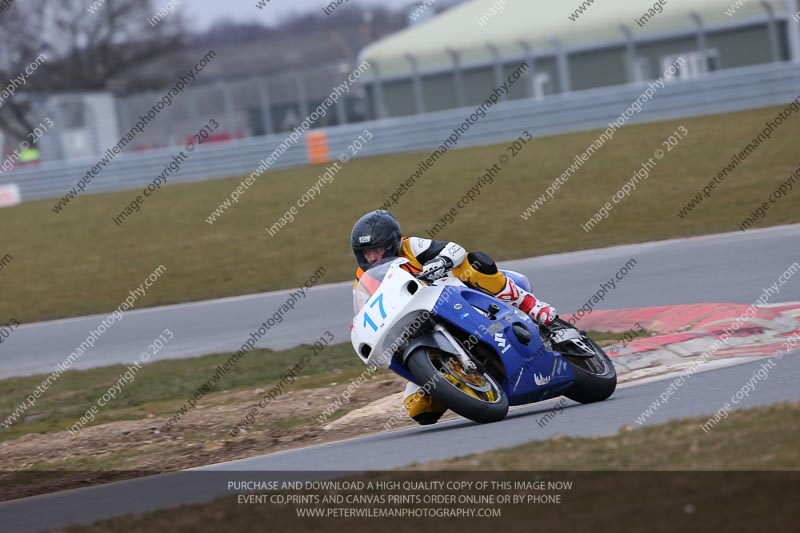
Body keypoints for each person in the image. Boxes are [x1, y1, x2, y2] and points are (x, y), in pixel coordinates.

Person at [350, 210, 558, 425]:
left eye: (377, 250)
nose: (372, 257)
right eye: (366, 253)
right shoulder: (362, 282)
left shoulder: (410, 246)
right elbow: (364, 313)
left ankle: (529, 305)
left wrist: (440, 261)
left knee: (473, 262)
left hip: (450, 294)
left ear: (392, 242)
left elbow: (454, 249)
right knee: (418, 409)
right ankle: (460, 379)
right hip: (416, 326)